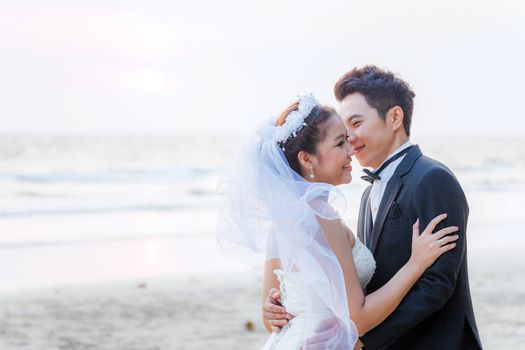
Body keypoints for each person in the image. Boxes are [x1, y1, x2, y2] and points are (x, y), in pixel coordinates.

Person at [264, 66, 482, 349]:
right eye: (343, 132)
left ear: (394, 117)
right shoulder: (367, 195)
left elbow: (437, 285)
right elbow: (357, 281)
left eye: (356, 124)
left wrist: (364, 338)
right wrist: (285, 299)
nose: (350, 139)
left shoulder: (432, 179)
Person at [218, 93, 459, 350]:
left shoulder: (285, 219)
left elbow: (272, 316)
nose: (351, 150)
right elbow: (358, 318)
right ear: (307, 159)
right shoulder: (322, 215)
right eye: (340, 143)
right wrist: (416, 263)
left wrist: (272, 312)